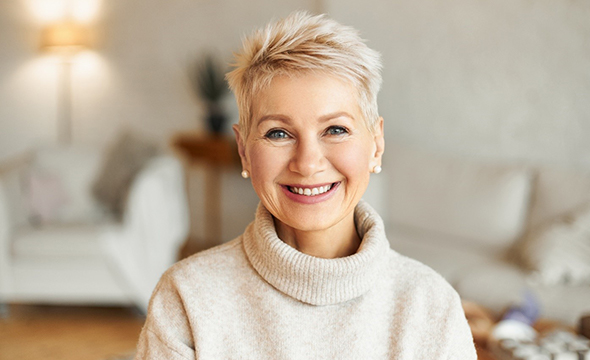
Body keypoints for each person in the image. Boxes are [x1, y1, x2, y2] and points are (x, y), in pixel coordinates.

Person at [134, 11, 477, 359]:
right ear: (243, 151)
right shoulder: (188, 299)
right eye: (278, 133)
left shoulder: (431, 305)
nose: (308, 162)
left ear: (376, 144)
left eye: (336, 130)